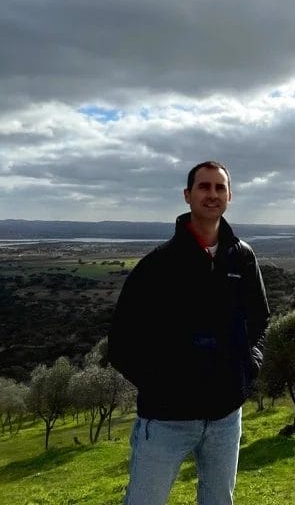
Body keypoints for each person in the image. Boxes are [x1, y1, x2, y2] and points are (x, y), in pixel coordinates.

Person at [108, 161, 270, 505]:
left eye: (219, 187)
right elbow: (121, 341)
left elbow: (260, 321)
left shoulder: (242, 258)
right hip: (166, 419)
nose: (212, 194)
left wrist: (247, 368)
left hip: (226, 417)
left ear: (229, 196)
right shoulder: (158, 264)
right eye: (204, 186)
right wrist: (160, 385)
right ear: (187, 195)